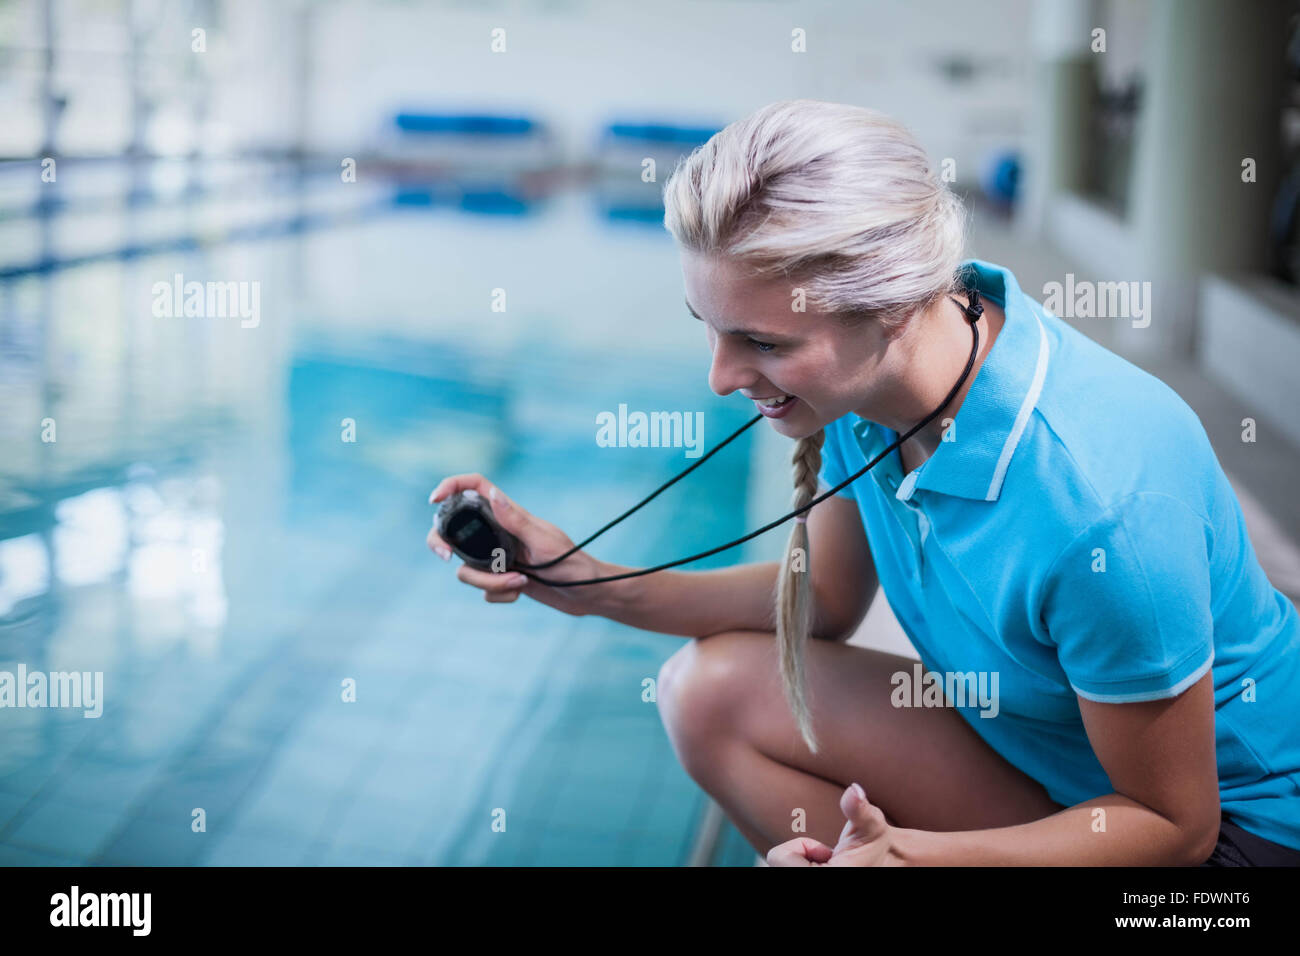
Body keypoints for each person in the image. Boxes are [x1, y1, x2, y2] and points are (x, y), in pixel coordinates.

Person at [428, 99, 1300, 866]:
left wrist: (910, 858)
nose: (722, 377)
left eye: (762, 343)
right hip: (1055, 760)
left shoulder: (1101, 508)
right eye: (710, 328)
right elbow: (824, 601)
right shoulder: (869, 392)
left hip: (1223, 846)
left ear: (890, 303)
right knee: (709, 693)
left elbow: (1173, 825)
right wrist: (587, 582)